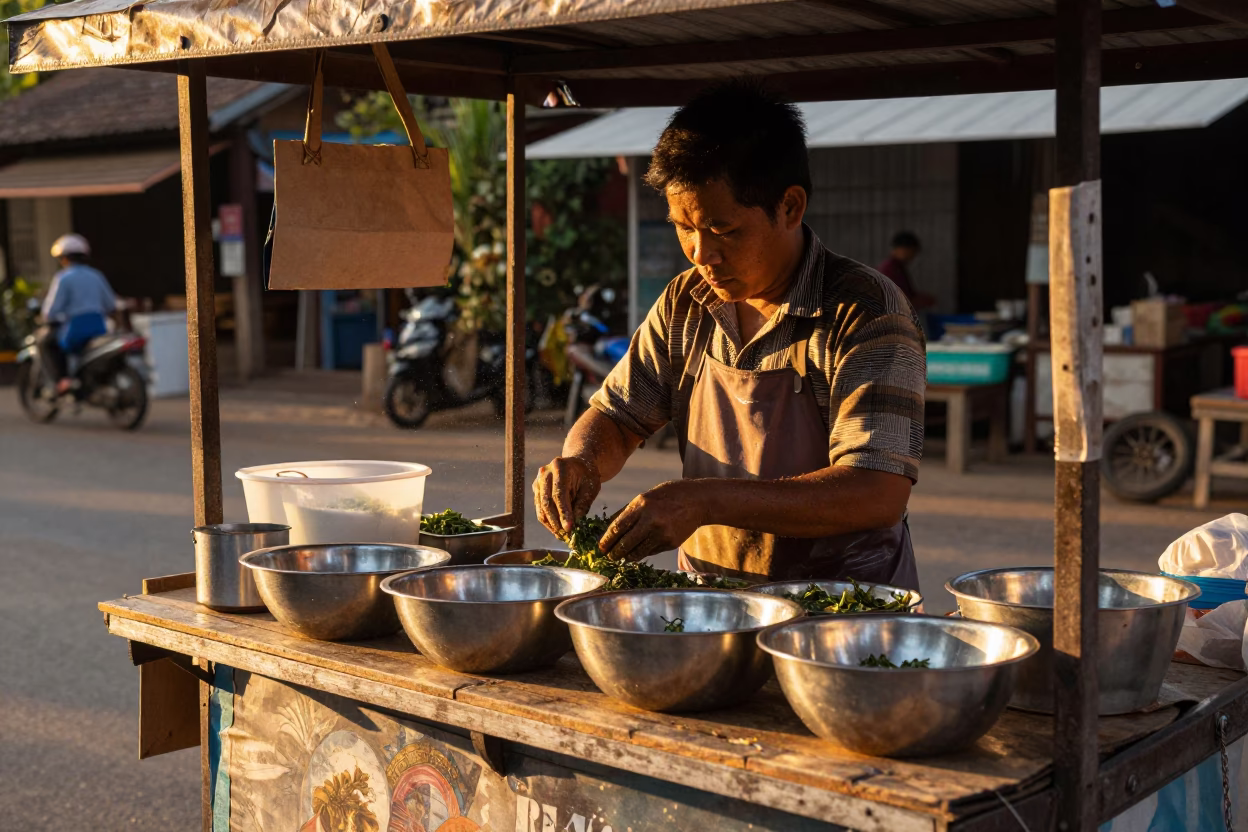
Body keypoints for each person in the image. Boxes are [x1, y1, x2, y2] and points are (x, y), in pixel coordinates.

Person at [532, 80, 926, 588]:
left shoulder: (867, 311)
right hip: (712, 604)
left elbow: (876, 491)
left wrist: (703, 501)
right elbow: (616, 415)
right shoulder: (685, 301)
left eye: (723, 230)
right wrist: (579, 462)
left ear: (790, 207)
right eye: (683, 227)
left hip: (840, 608)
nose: (701, 254)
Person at [37, 233, 117, 395]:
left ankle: (63, 381)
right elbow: (111, 304)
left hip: (74, 329)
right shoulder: (96, 275)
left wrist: (46, 317)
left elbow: (50, 310)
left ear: (64, 258)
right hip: (99, 327)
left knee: (46, 343)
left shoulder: (64, 278)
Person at [877, 230, 935, 310]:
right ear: (902, 249)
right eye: (912, 251)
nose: (913, 256)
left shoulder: (898, 268)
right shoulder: (889, 269)